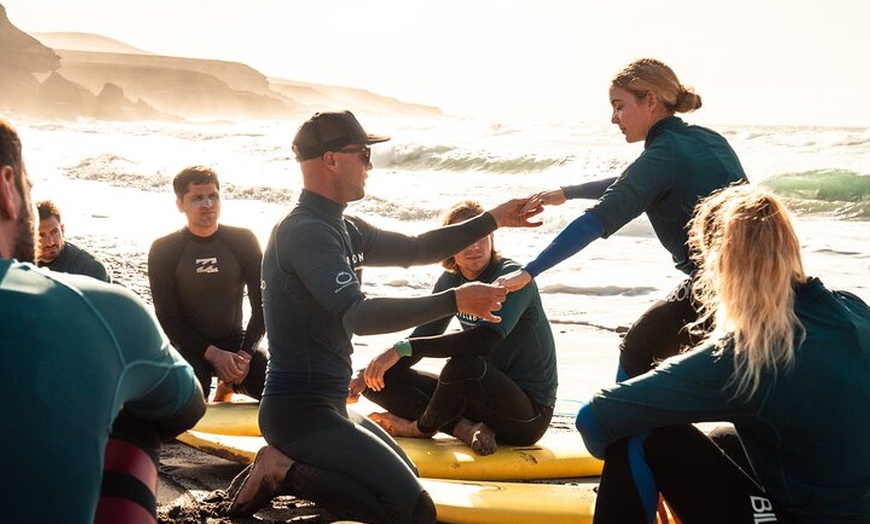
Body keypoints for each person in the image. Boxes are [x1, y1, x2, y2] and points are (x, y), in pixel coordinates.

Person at [225, 110, 544, 523]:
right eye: (363, 154)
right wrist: (454, 300)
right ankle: (282, 471)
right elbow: (357, 316)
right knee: (416, 512)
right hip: (298, 411)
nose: (370, 165)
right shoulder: (305, 232)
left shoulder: (345, 227)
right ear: (330, 160)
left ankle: (289, 468)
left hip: (329, 405)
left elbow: (417, 249)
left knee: (406, 478)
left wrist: (493, 219)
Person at [574, 186, 870, 523]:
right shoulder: (855, 310)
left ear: (721, 263)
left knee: (639, 434)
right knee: (724, 441)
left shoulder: (749, 354)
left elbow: (595, 419)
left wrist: (636, 471)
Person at [0, 118, 205, 522]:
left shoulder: (87, 270)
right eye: (28, 187)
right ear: (7, 188)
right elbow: (184, 407)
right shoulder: (101, 309)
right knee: (134, 417)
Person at [500, 58, 748, 380]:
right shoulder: (707, 138)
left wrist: (529, 271)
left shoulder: (662, 156)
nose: (613, 118)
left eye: (619, 106)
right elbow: (636, 181)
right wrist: (567, 193)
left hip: (719, 283)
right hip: (759, 273)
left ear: (650, 101)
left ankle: (619, 412)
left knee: (638, 348)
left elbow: (594, 222)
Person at [350, 199, 558, 456]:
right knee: (379, 379)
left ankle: (421, 428)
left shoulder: (511, 278)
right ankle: (464, 429)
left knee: (462, 365)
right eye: (465, 239)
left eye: (481, 237)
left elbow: (483, 341)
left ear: (492, 237)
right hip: (478, 399)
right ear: (449, 244)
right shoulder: (450, 281)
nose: (474, 246)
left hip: (528, 416)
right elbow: (425, 334)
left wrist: (402, 348)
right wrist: (370, 370)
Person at [148, 166, 267, 402]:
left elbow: (263, 306)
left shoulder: (243, 240)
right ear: (180, 204)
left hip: (236, 343)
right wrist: (212, 354)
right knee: (191, 395)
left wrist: (245, 355)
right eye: (197, 198)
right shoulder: (164, 249)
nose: (208, 204)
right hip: (189, 347)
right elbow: (167, 317)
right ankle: (214, 384)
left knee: (276, 390)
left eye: (213, 196)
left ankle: (228, 386)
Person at [37, 199, 112, 282]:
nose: (50, 242)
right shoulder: (26, 265)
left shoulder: (89, 268)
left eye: (54, 232)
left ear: (62, 230)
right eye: (41, 235)